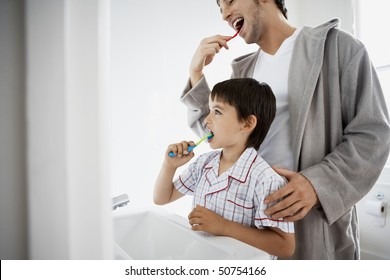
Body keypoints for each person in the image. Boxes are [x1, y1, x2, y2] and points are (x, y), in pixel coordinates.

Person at [179, 0, 390, 259]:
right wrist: (195, 72)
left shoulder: (339, 48)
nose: (224, 14)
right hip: (251, 229)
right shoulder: (241, 72)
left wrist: (317, 184)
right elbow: (219, 136)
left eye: (230, 1)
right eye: (219, 8)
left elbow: (373, 135)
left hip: (312, 226)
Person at [154, 78, 295, 258]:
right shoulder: (204, 164)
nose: (206, 120)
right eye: (210, 110)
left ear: (247, 123)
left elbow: (285, 246)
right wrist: (169, 166)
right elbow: (161, 198)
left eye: (217, 112)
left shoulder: (266, 180)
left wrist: (224, 226)